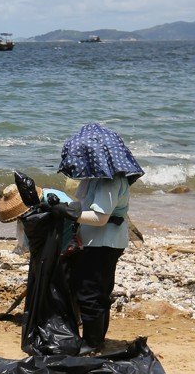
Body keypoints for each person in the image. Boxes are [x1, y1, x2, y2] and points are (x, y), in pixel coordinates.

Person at [56, 123, 144, 353]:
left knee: (91, 293)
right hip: (94, 242)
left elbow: (99, 217)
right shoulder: (94, 178)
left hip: (104, 243)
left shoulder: (110, 182)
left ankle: (92, 343)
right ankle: (95, 340)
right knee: (94, 291)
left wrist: (69, 214)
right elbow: (82, 204)